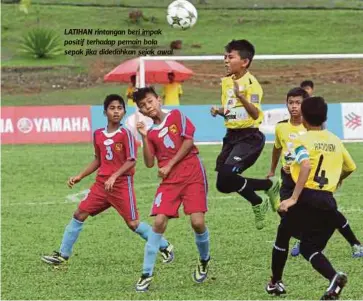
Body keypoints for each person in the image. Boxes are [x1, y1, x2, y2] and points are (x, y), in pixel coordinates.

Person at [41, 94, 174, 267]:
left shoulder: (125, 134)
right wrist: (80, 176)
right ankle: (62, 255)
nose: (116, 111)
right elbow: (98, 159)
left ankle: (165, 246)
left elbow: (132, 159)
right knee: (79, 214)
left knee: (133, 223)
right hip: (101, 186)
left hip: (121, 186)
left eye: (119, 108)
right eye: (112, 108)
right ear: (105, 112)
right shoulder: (98, 135)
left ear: (124, 112)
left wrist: (114, 176)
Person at [266, 96, 357, 300]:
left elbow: (305, 165)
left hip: (306, 196)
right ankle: (334, 278)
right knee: (309, 248)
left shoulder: (301, 139)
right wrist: (338, 179)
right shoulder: (335, 139)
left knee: (283, 234)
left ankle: (275, 282)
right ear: (325, 118)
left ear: (304, 118)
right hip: (327, 201)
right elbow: (351, 167)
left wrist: (293, 198)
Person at [133, 87, 210, 292]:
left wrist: (169, 164)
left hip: (192, 172)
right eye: (142, 106)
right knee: (158, 221)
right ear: (140, 111)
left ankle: (204, 260)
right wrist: (143, 136)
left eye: (149, 102)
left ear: (158, 100)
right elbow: (149, 163)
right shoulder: (150, 133)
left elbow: (188, 141)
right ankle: (146, 274)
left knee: (197, 222)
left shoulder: (176, 115)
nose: (147, 107)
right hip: (169, 180)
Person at [210, 39, 280, 230]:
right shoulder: (227, 81)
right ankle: (266, 187)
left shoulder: (252, 84)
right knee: (223, 185)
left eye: (230, 57)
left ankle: (258, 199)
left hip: (249, 138)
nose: (225, 60)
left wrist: (242, 96)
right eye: (225, 57)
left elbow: (256, 114)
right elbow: (233, 109)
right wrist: (220, 110)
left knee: (228, 174)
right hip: (231, 136)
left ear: (244, 62)